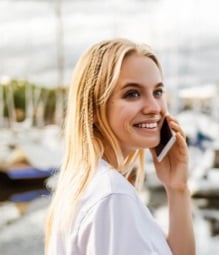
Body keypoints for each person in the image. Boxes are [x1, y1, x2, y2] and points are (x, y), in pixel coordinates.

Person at [45, 38, 195, 255]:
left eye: (158, 92)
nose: (154, 107)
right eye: (132, 93)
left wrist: (177, 188)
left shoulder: (88, 184)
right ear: (93, 110)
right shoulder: (112, 197)